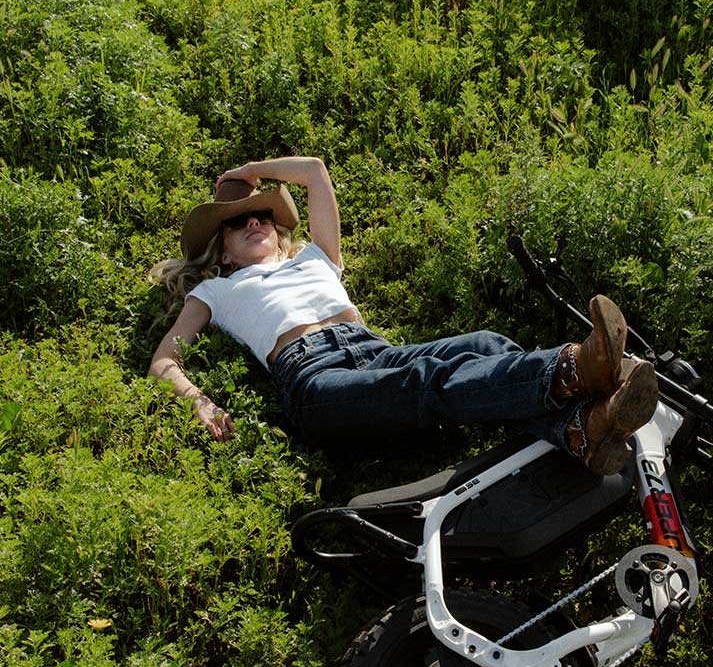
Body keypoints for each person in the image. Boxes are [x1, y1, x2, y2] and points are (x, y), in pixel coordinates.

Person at [148, 156, 658, 474]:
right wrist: (199, 403)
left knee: (485, 344)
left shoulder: (314, 257)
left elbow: (315, 173)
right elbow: (164, 362)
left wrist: (252, 172)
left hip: (374, 350)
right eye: (238, 222)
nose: (254, 220)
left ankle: (580, 430)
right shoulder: (217, 288)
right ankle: (572, 367)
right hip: (314, 381)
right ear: (224, 252)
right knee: (424, 380)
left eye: (261, 213)